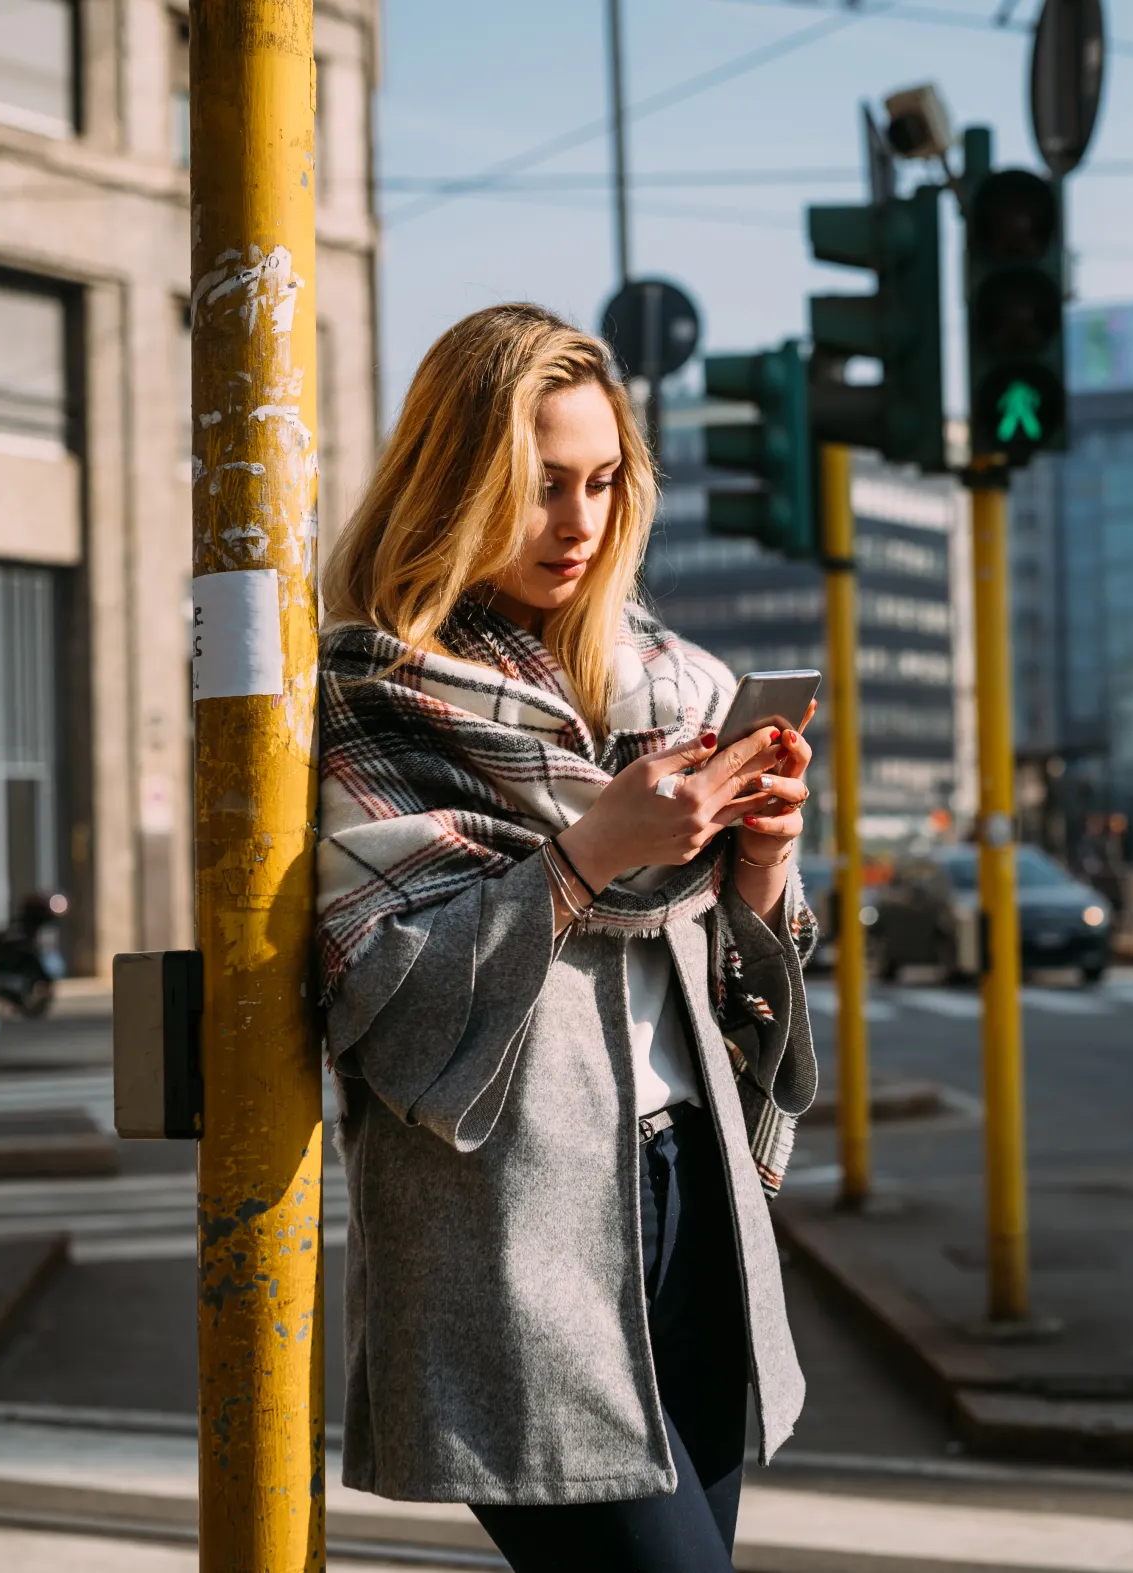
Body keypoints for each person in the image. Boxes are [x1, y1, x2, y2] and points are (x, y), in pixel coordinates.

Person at [314, 303, 819, 1573]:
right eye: (541, 487)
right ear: (458, 481)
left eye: (601, 482)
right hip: (515, 1238)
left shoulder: (671, 689)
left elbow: (729, 987)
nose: (579, 523)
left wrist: (753, 865)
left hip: (691, 1194)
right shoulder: (366, 700)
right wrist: (593, 851)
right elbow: (384, 1001)